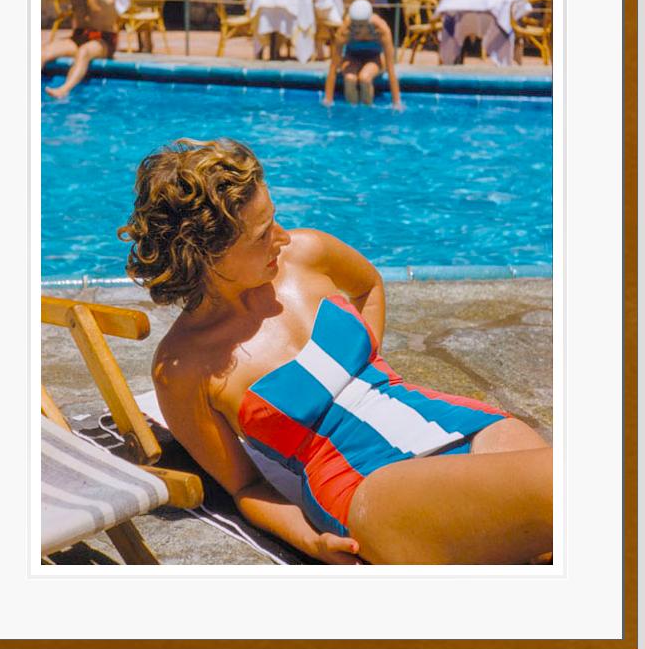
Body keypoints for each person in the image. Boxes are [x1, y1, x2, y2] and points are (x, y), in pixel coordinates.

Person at [118, 139, 552, 565]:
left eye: (275, 219)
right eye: (261, 234)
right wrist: (312, 542)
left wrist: (373, 367)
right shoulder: (185, 368)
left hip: (449, 419)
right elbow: (246, 486)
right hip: (369, 486)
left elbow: (368, 285)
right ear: (206, 254)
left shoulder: (308, 254)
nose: (283, 238)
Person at [41, 0, 119, 99]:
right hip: (79, 36)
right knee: (42, 52)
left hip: (103, 38)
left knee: (84, 52)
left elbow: (109, 0)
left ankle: (63, 90)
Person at [322, 0, 402, 108]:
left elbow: (391, 69)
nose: (356, 29)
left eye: (361, 25)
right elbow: (333, 68)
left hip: (375, 58)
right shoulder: (344, 32)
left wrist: (396, 103)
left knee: (365, 78)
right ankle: (352, 114)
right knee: (350, 78)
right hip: (352, 57)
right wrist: (328, 100)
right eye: (354, 25)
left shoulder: (381, 30)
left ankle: (367, 113)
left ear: (369, 21)